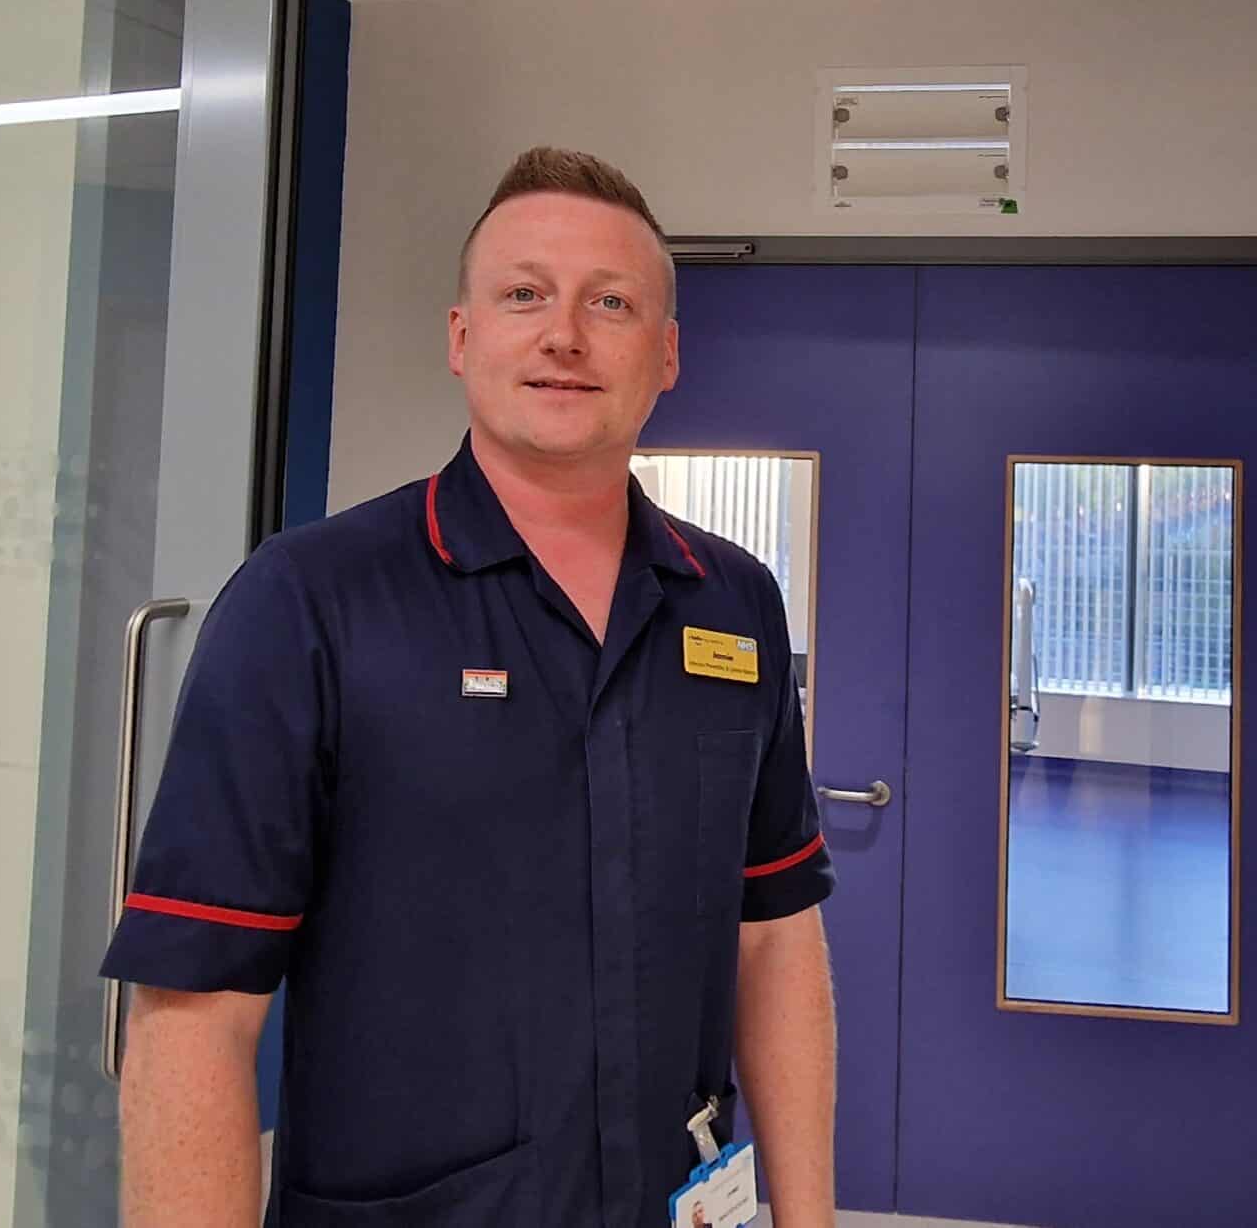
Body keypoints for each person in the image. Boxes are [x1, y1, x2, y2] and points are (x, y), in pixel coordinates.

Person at [106, 147, 839, 1226]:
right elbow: (191, 1015)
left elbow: (773, 936)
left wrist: (807, 1219)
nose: (564, 334)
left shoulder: (733, 604)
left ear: (667, 354)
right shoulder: (310, 602)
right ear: (462, 337)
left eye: (613, 302)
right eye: (523, 294)